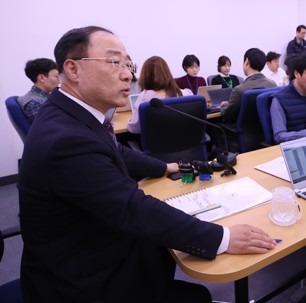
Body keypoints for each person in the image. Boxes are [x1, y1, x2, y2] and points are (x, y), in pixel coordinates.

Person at [18, 26, 276, 303]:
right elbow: (132, 209)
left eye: (127, 63)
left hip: (91, 245)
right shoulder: (65, 140)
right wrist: (222, 238)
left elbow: (118, 151)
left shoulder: (69, 113)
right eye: (114, 62)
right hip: (83, 281)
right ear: (72, 69)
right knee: (196, 294)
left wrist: (165, 167)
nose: (128, 74)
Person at [127, 56, 193, 134]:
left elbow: (134, 129)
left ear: (145, 76)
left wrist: (129, 120)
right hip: (186, 143)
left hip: (157, 145)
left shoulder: (144, 98)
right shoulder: (187, 94)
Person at [220, 48, 276, 122]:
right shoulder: (272, 84)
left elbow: (227, 115)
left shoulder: (240, 90)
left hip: (242, 130)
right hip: (266, 129)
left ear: (246, 62)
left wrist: (224, 104)